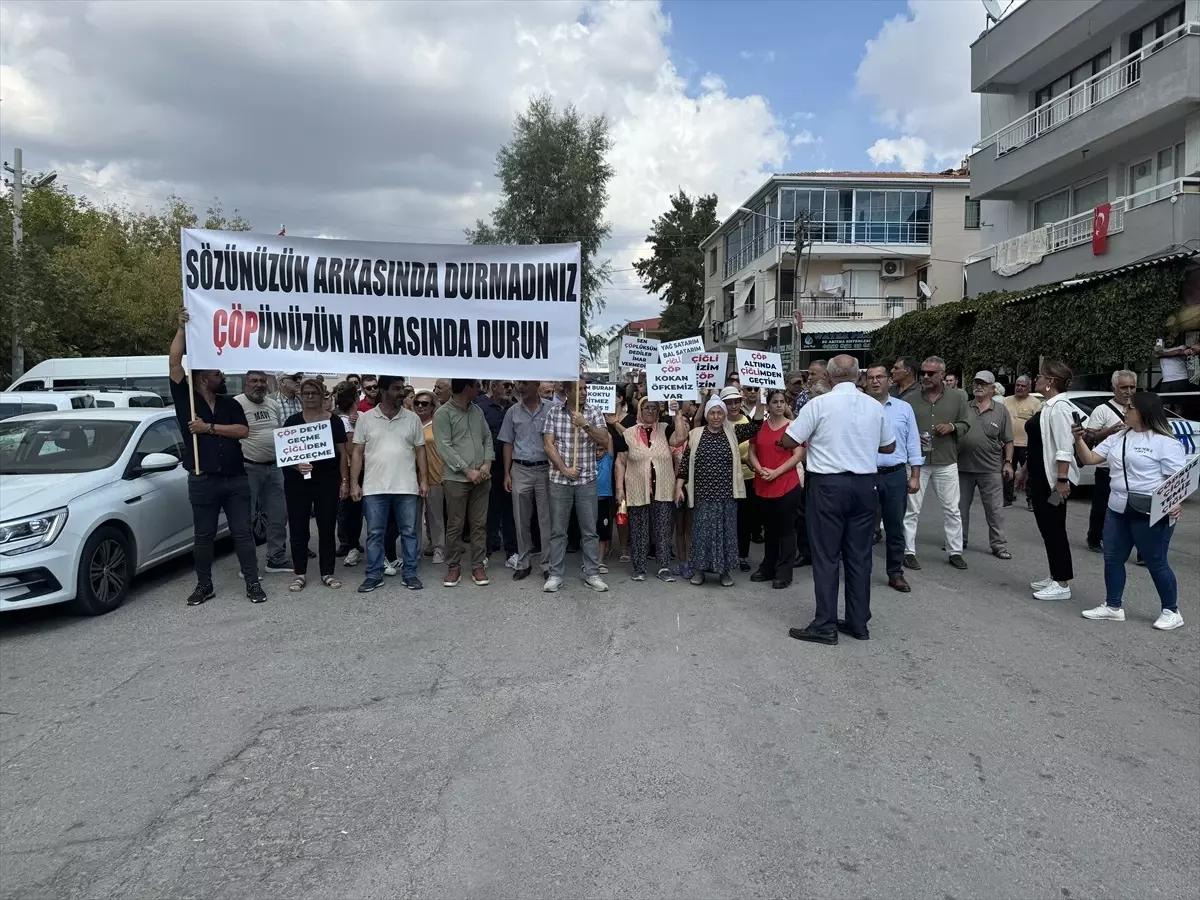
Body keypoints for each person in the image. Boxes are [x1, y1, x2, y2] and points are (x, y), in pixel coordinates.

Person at [780, 355, 894, 645]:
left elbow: (790, 441)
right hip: (865, 485)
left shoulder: (819, 404)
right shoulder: (874, 405)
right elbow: (889, 445)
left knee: (827, 556)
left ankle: (825, 624)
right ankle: (858, 622)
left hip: (828, 485)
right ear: (858, 377)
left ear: (828, 378)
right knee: (859, 556)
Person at [168, 309, 264, 605]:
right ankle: (204, 585)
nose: (221, 376)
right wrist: (182, 330)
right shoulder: (186, 398)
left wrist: (208, 427)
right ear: (202, 377)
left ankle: (252, 583)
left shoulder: (229, 402)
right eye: (216, 373)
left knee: (243, 534)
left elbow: (242, 431)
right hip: (203, 478)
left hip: (235, 479)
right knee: (204, 536)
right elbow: (174, 361)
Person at [1071, 392, 1186, 630]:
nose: (1125, 410)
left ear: (1143, 412)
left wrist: (1174, 502)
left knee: (1156, 561)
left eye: (1129, 408)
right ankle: (1113, 606)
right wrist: (1079, 439)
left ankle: (1171, 610)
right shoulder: (1119, 437)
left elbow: (1178, 480)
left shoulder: (1165, 442)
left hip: (1151, 510)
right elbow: (1091, 458)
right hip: (1117, 507)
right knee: (1112, 557)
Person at [676, 392, 764, 587]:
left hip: (726, 495)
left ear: (724, 415)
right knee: (701, 534)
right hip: (703, 495)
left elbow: (756, 425)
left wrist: (760, 402)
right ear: (707, 415)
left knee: (726, 534)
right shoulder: (695, 434)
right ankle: (699, 571)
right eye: (712, 413)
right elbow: (685, 465)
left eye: (719, 413)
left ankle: (724, 572)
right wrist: (679, 487)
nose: (716, 417)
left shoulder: (733, 432)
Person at [351, 375, 428, 593]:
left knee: (410, 532)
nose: (401, 392)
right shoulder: (366, 418)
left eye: (402, 388)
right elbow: (357, 451)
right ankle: (374, 575)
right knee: (375, 533)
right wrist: (355, 483)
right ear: (383, 391)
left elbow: (420, 450)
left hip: (406, 486)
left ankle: (410, 574)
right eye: (396, 388)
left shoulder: (412, 419)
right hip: (375, 487)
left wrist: (423, 479)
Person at [1014, 360, 1077, 601]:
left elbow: (1063, 447)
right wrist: (1026, 469)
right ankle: (1055, 575)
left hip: (1053, 482)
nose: (1036, 378)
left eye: (1040, 376)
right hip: (1041, 477)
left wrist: (1062, 480)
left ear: (1050, 381)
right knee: (1047, 528)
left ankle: (1062, 583)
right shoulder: (1048, 406)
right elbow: (1041, 444)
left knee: (1054, 528)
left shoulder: (1059, 407)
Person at [542, 377, 611, 593]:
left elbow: (604, 439)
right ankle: (555, 574)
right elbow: (548, 444)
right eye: (579, 389)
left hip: (587, 479)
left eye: (585, 389)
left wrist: (585, 424)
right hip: (560, 479)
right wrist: (564, 469)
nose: (584, 393)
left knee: (589, 529)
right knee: (558, 530)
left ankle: (592, 572)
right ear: (568, 391)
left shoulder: (593, 412)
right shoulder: (554, 412)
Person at [902, 356, 970, 571]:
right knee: (911, 509)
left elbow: (967, 424)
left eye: (931, 373)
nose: (926, 376)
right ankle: (908, 551)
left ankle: (955, 551)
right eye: (923, 372)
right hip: (916, 462)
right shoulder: (910, 399)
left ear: (942, 374)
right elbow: (902, 428)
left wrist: (952, 426)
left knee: (952, 509)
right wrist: (912, 438)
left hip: (945, 461)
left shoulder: (958, 398)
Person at [282, 379, 349, 592]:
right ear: (301, 396)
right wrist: (296, 466)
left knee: (327, 525)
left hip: (327, 480)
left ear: (322, 396)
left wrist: (345, 481)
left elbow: (343, 454)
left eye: (315, 393)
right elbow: (284, 455)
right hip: (297, 483)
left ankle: (327, 571)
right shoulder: (292, 422)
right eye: (307, 393)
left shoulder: (335, 422)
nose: (310, 397)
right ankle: (300, 573)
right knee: (298, 527)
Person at [615, 399, 688, 582]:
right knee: (639, 530)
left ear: (658, 411)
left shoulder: (665, 429)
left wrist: (678, 414)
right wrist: (619, 488)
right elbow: (620, 462)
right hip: (637, 488)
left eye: (654, 408)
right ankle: (640, 568)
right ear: (639, 410)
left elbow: (680, 438)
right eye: (646, 407)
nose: (650, 411)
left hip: (663, 488)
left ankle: (663, 567)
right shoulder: (628, 433)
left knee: (663, 530)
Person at [864, 365, 922, 593]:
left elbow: (913, 442)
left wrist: (915, 475)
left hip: (895, 475)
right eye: (870, 378)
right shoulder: (860, 407)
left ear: (889, 381)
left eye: (880, 377)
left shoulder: (904, 408)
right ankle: (860, 570)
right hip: (865, 474)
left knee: (895, 526)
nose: (875, 381)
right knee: (863, 527)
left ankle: (895, 573)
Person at [433, 380, 493, 587]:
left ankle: (478, 565)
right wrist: (467, 470)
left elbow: (487, 437)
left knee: (479, 524)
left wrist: (486, 465)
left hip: (482, 478)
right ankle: (454, 567)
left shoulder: (477, 411)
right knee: (455, 525)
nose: (480, 389)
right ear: (467, 387)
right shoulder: (443, 413)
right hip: (456, 479)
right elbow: (444, 447)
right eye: (476, 386)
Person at [234, 370, 290, 574]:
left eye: (262, 381)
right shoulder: (237, 404)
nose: (258, 385)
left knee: (278, 515)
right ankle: (248, 566)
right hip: (249, 467)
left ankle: (276, 559)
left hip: (275, 467)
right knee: (246, 519)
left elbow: (280, 432)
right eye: (254, 381)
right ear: (245, 384)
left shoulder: (272, 404)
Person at [748, 389, 805, 588]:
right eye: (775, 402)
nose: (780, 405)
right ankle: (768, 566)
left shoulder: (793, 427)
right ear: (768, 405)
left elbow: (798, 455)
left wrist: (776, 472)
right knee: (770, 529)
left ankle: (784, 571)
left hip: (786, 484)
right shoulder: (760, 427)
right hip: (763, 483)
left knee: (786, 530)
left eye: (782, 401)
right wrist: (759, 468)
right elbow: (752, 451)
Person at [958, 371, 1013, 560]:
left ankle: (999, 545)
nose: (978, 387)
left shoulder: (1000, 410)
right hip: (962, 467)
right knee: (958, 508)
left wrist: (1008, 463)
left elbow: (1008, 440)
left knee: (995, 509)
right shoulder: (964, 407)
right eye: (976, 383)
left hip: (990, 469)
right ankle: (958, 541)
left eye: (983, 384)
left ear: (992, 388)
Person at [501, 381, 553, 581]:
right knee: (520, 518)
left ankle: (547, 564)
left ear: (536, 385)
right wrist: (507, 473)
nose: (520, 388)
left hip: (545, 469)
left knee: (546, 519)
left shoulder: (550, 409)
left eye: (524, 384)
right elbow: (507, 443)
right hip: (520, 469)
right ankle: (523, 562)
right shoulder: (512, 412)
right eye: (518, 384)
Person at [1082, 370, 1137, 552]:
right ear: (1114, 388)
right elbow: (1090, 437)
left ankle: (1138, 547)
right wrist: (1109, 431)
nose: (1128, 391)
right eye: (1123, 387)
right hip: (1107, 467)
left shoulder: (1140, 408)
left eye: (1132, 387)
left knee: (1135, 510)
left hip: (1132, 468)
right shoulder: (1102, 410)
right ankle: (1095, 539)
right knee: (1101, 506)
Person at [475, 378, 518, 566]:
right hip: (488, 465)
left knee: (511, 511)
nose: (510, 389)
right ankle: (485, 552)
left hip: (512, 466)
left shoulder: (514, 407)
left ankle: (512, 552)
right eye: (506, 385)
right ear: (494, 387)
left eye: (511, 386)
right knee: (488, 511)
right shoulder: (480, 406)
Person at [721, 386, 758, 573]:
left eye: (736, 401)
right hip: (725, 479)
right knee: (727, 518)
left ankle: (742, 555)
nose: (733, 405)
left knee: (745, 519)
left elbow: (753, 446)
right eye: (729, 402)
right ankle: (726, 553)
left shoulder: (748, 421)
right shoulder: (718, 422)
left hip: (747, 477)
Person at [333, 381, 365, 564]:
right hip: (350, 468)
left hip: (361, 468)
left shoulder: (361, 416)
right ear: (355, 398)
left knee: (355, 509)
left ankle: (352, 542)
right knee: (348, 509)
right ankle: (348, 543)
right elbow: (352, 450)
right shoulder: (339, 420)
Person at [413, 389, 446, 564]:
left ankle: (439, 548)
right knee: (413, 516)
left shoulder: (438, 423)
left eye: (424, 403)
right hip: (412, 475)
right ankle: (415, 549)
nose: (420, 406)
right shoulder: (410, 423)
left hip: (435, 473)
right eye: (417, 403)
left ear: (432, 406)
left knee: (435, 515)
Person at [1003, 375, 1041, 509]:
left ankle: (1031, 500)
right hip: (1008, 443)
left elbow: (1038, 425)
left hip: (1026, 444)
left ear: (1029, 388)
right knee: (1007, 472)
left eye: (1023, 386)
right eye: (1017, 385)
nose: (1019, 388)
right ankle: (1007, 499)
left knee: (1029, 474)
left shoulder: (1035, 403)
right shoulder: (1006, 401)